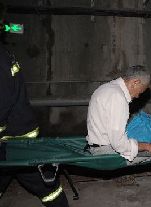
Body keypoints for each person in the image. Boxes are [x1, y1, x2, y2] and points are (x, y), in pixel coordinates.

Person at [0, 2, 69, 206]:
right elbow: (11, 27)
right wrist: (13, 27)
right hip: (15, 136)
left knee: (45, 187)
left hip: (16, 139)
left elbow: (2, 105)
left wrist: (17, 27)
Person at [86, 65, 151, 161]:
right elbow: (119, 144)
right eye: (140, 92)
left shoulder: (106, 87)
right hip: (105, 151)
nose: (138, 96)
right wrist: (148, 146)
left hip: (96, 145)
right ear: (135, 82)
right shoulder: (118, 97)